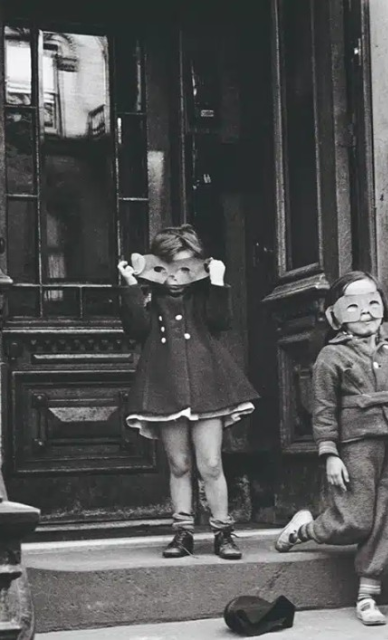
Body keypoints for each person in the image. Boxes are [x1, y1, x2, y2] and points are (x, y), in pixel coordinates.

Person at [274, 271, 388, 626]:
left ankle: (368, 594)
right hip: (356, 446)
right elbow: (323, 409)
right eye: (353, 306)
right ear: (334, 316)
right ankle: (306, 528)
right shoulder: (331, 357)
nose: (365, 311)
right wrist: (330, 454)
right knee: (356, 519)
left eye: (372, 302)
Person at [117, 224, 259, 560]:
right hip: (165, 387)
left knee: (210, 463)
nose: (176, 278)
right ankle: (182, 532)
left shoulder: (203, 293)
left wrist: (218, 282)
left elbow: (220, 321)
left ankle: (223, 531)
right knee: (179, 463)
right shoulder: (150, 296)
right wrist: (131, 287)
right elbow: (136, 328)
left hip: (207, 385)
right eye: (168, 268)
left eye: (184, 267)